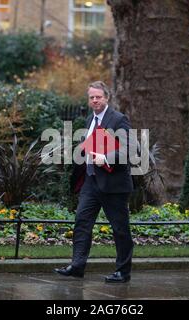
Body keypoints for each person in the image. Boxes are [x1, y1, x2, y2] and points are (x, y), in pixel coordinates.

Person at [54, 81, 134, 283]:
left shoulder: (118, 119)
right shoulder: (90, 119)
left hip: (113, 185)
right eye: (92, 97)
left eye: (99, 96)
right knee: (81, 223)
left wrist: (106, 158)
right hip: (91, 181)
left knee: (120, 229)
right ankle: (77, 266)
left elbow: (130, 150)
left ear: (107, 98)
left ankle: (123, 272)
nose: (95, 100)